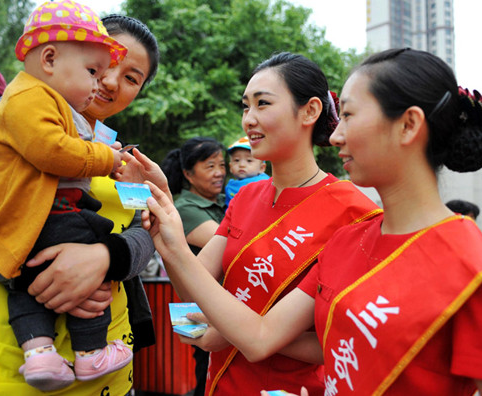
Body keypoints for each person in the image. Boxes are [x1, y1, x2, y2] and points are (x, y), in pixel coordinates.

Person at [143, 48, 482, 395]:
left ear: (409, 125)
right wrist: (174, 245)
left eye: (348, 115)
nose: (335, 136)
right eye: (245, 106)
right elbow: (275, 335)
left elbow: (265, 338)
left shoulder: (479, 276)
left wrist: (179, 249)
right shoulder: (351, 240)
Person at [137, 52, 381, 395]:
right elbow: (190, 290)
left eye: (263, 104)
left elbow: (340, 341)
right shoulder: (247, 198)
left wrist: (234, 328)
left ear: (310, 111)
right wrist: (167, 239)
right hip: (219, 384)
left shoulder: (355, 212)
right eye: (245, 106)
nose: (249, 119)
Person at [0, 12, 161, 395]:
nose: (108, 81)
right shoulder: (13, 131)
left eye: (131, 78)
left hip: (109, 368)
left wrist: (107, 259)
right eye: (101, 66)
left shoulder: (129, 161)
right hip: (14, 367)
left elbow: (148, 234)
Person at [161, 136, 227, 396]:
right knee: (207, 375)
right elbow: (233, 245)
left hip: (217, 308)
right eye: (210, 166)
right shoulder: (184, 208)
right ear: (188, 173)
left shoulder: (222, 202)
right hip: (196, 310)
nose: (219, 173)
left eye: (222, 165)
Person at [224, 136, 269, 206]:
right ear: (230, 167)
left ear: (262, 168)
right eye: (236, 160)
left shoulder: (266, 183)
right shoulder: (230, 186)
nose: (242, 165)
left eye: (249, 160)